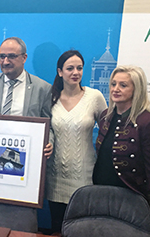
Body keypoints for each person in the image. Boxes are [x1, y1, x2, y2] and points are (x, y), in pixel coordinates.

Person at [45, 50, 107, 234]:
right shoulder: (50, 98)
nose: (75, 72)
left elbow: (107, 130)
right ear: (60, 72)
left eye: (79, 68)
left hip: (85, 177)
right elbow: (47, 128)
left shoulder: (94, 97)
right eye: (70, 68)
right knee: (57, 226)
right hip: (55, 177)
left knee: (81, 229)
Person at [93, 65, 150, 222]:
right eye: (113, 84)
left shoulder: (148, 122)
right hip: (101, 193)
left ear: (136, 89)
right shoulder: (106, 116)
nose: (115, 89)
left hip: (131, 197)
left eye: (123, 85)